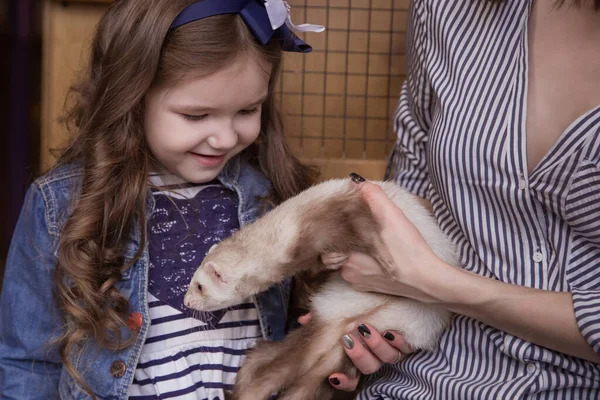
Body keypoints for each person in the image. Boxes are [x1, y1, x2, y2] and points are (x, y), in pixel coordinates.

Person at [0, 0, 324, 399]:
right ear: (133, 97)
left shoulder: (270, 195)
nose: (224, 138)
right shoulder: (61, 205)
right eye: (195, 116)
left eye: (247, 110)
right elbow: (26, 362)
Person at [321, 0, 600, 398]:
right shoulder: (447, 9)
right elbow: (414, 180)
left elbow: (416, 274)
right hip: (418, 381)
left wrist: (436, 285)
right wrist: (372, 322)